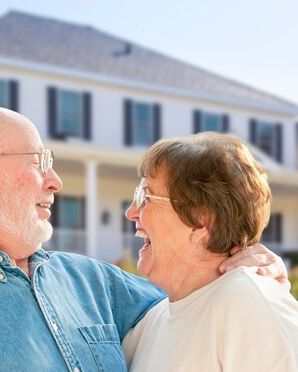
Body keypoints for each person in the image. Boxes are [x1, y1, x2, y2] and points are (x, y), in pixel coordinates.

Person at [0, 104, 287, 372]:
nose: (56, 181)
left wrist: (249, 259)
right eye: (38, 162)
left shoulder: (94, 282)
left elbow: (198, 296)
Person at [122, 132, 298, 372]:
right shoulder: (151, 322)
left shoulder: (247, 303)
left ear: (201, 219)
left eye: (145, 196)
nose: (131, 212)